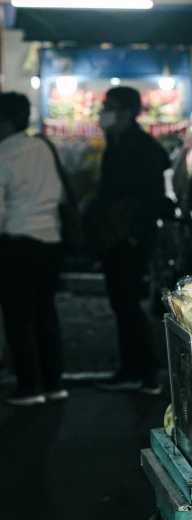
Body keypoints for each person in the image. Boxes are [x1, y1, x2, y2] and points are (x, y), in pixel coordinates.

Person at [88, 86, 170, 394]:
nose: (103, 113)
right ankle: (132, 369)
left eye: (109, 107)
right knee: (122, 303)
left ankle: (145, 372)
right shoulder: (119, 143)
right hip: (117, 236)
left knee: (129, 302)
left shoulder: (141, 147)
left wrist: (135, 232)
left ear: (127, 112)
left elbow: (151, 197)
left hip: (132, 237)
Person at [0, 92, 66, 406]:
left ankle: (29, 386)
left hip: (17, 243)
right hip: (50, 241)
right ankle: (54, 383)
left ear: (6, 121)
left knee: (17, 316)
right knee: (45, 313)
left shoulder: (3, 154)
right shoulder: (42, 147)